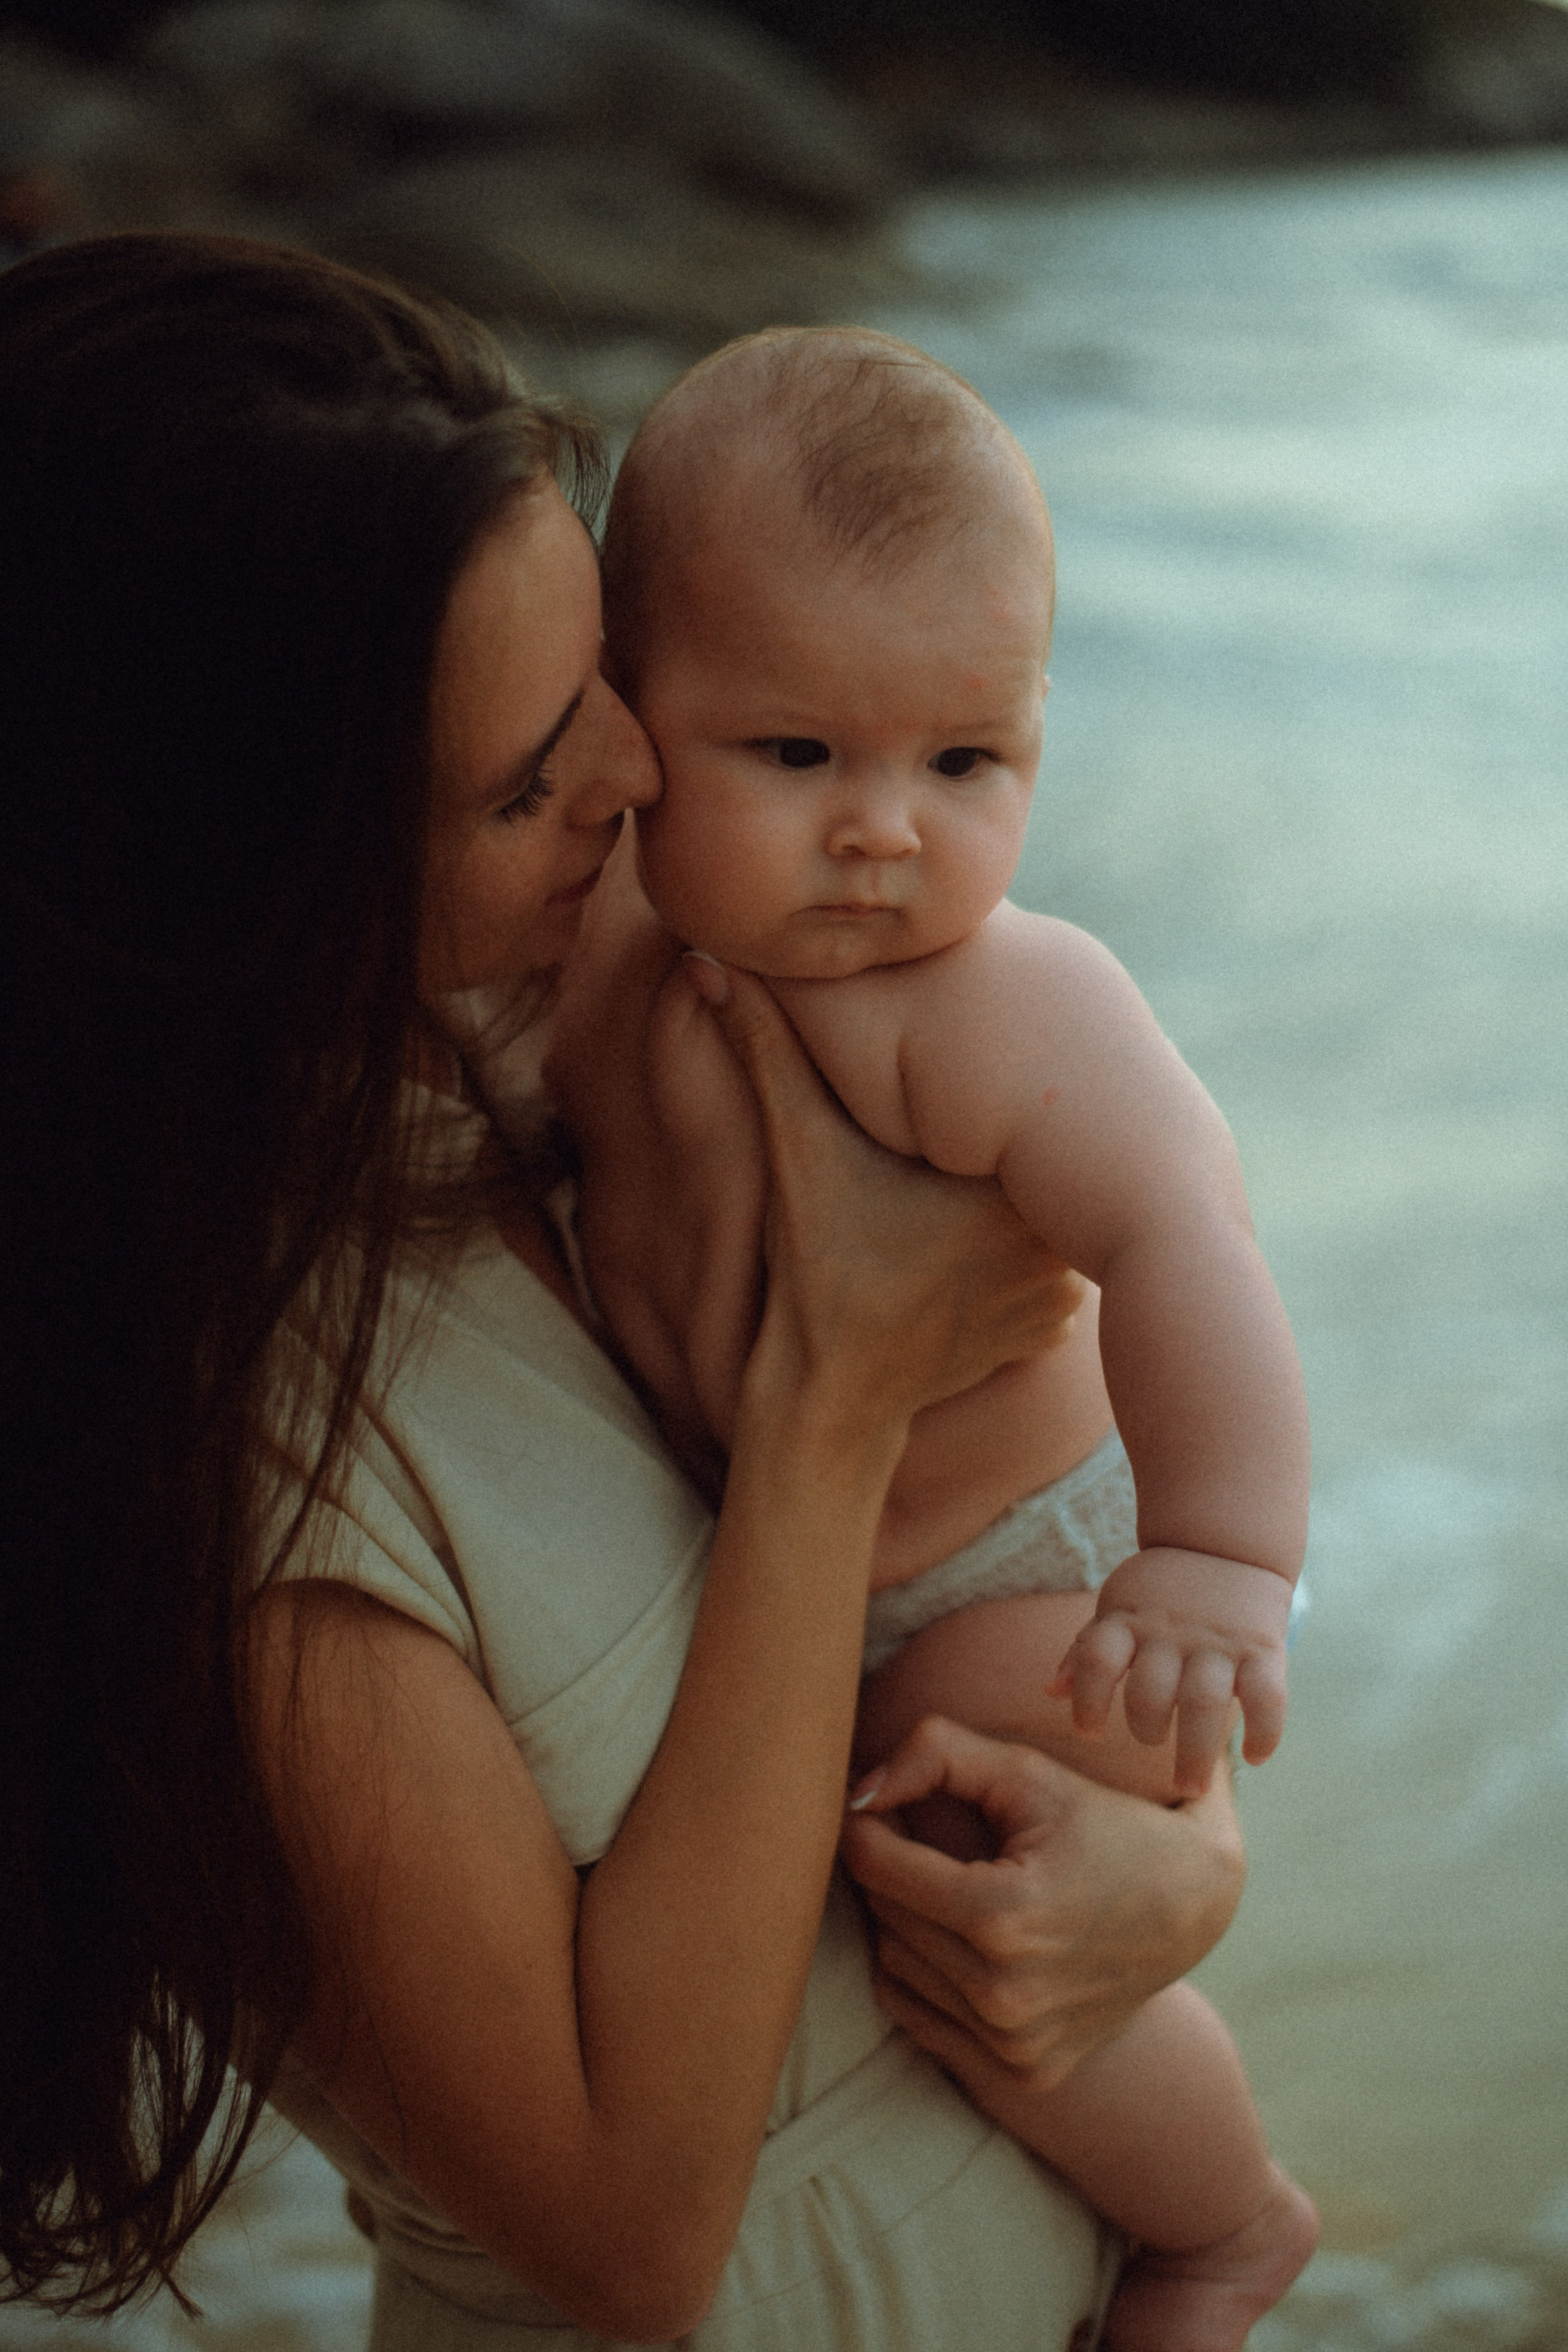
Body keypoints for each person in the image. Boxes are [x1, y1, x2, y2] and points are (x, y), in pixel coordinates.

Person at [0, 235, 1248, 2351]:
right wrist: (829, 1408)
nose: (634, 774)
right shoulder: (227, 1481)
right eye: (522, 778)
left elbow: (1026, 1538)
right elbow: (629, 2238)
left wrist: (1174, 1861)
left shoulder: (585, 1016)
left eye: (601, 676)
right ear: (252, 882)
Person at [549, 326, 1320, 2349]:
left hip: (1024, 1572)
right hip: (824, 1559)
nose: (889, 833)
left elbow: (1184, 1232)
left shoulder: (991, 998)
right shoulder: (600, 938)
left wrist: (1221, 1557)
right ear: (627, 730)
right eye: (798, 756)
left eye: (965, 763)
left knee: (977, 1914)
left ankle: (1223, 2224)